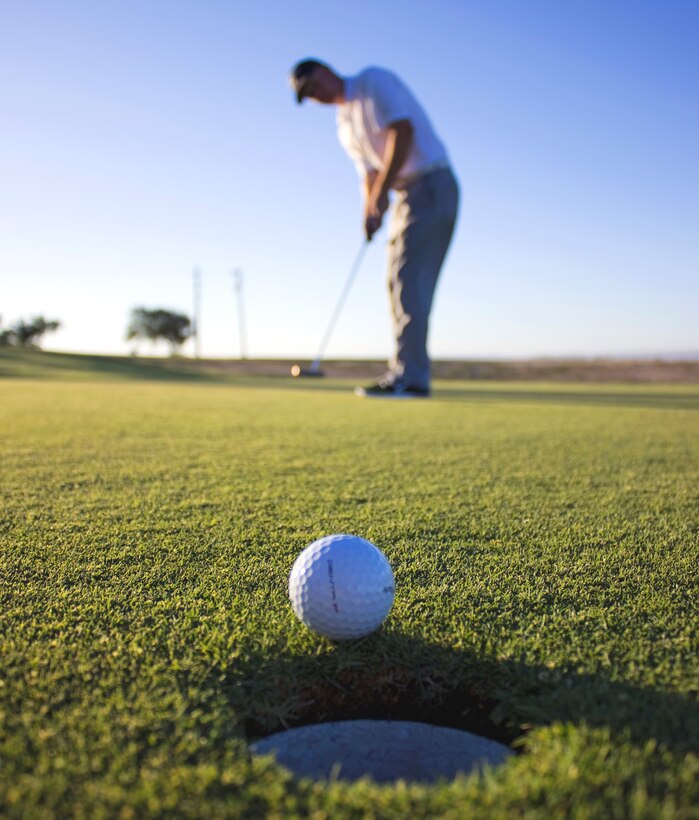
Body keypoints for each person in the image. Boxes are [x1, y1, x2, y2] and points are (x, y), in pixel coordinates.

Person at [289, 59, 459, 398]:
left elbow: (402, 132)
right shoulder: (344, 124)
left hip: (431, 184)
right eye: (309, 96)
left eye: (314, 87)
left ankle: (410, 378)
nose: (317, 96)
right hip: (406, 196)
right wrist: (369, 211)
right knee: (396, 282)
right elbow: (369, 174)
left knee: (409, 281)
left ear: (324, 71)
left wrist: (381, 194)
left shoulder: (371, 81)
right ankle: (405, 372)